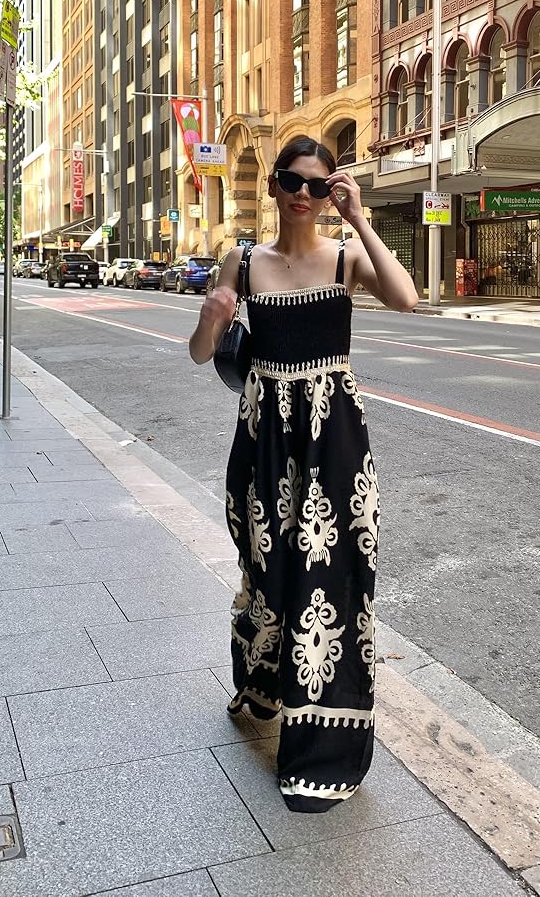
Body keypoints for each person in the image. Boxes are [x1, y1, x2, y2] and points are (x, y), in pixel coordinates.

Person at [189, 136, 418, 812]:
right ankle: (263, 686)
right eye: (292, 181)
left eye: (318, 185)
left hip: (334, 438)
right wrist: (210, 318)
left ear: (330, 193)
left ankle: (322, 744)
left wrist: (360, 218)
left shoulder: (346, 257)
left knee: (335, 575)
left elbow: (406, 298)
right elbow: (201, 354)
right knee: (269, 573)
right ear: (274, 185)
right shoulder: (244, 261)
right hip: (264, 440)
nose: (303, 194)